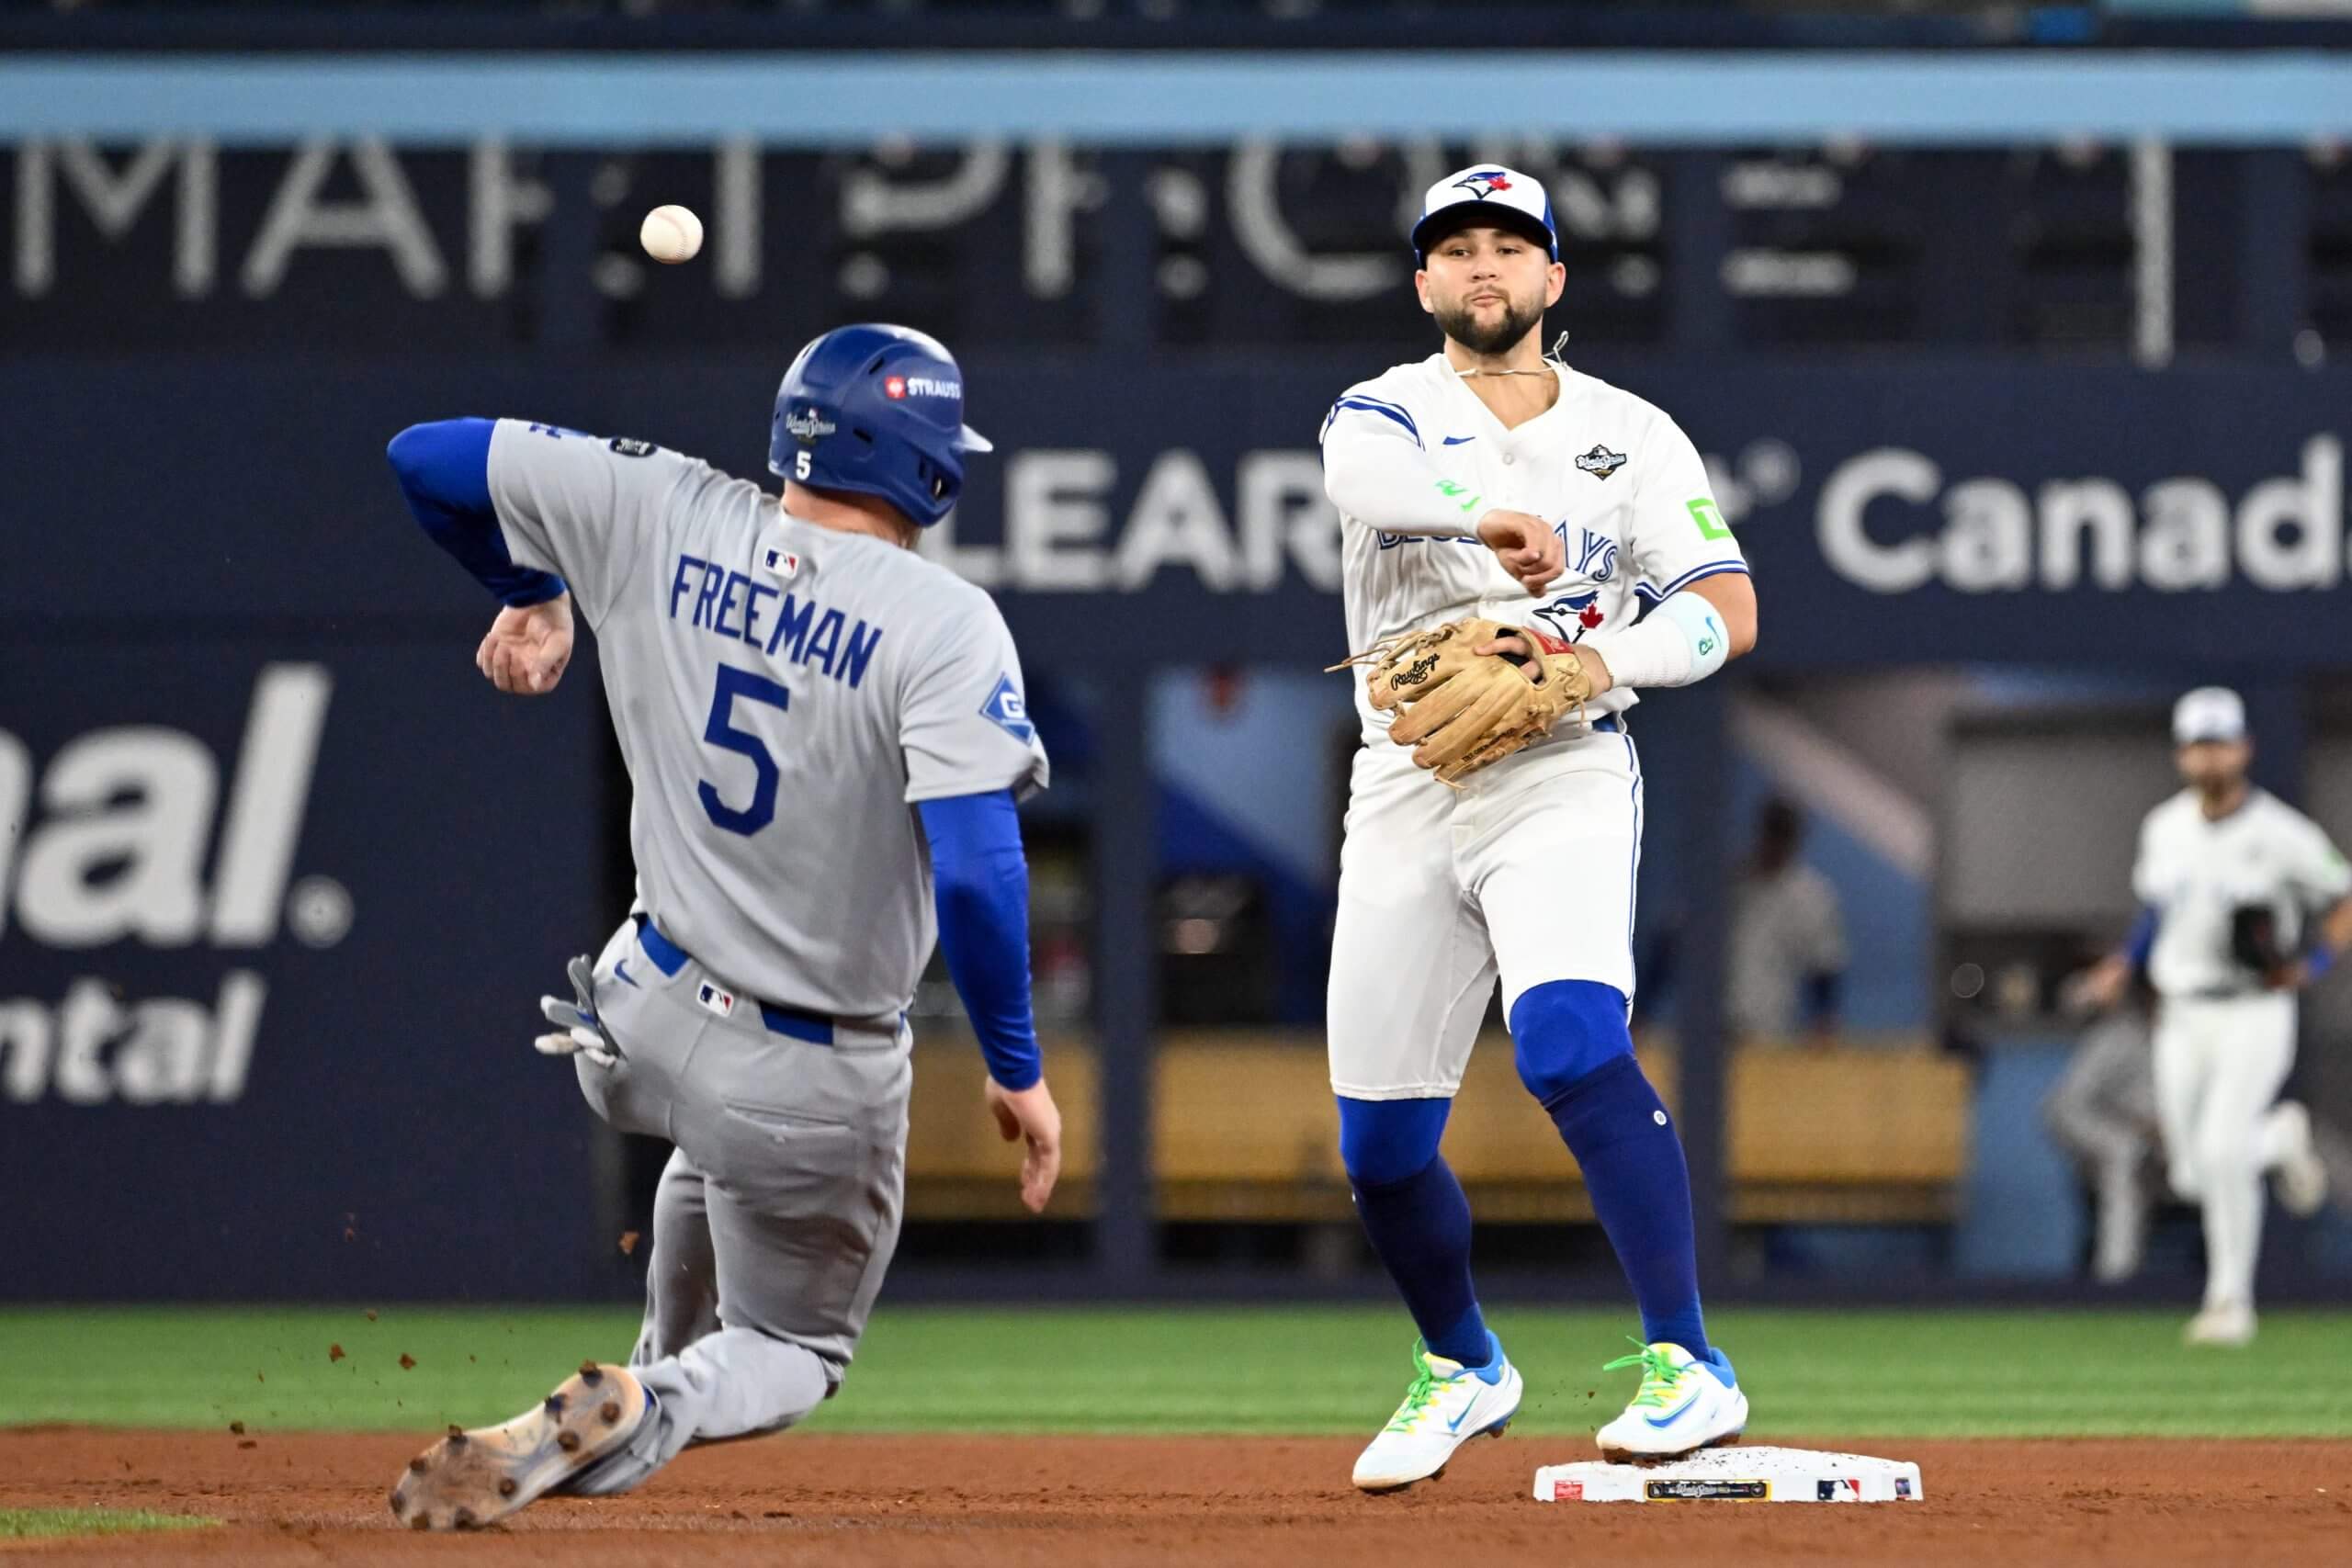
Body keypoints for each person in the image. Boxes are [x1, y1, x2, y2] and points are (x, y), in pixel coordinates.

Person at [380, 323, 1062, 1529]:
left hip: (632, 1016)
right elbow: (978, 871)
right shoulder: (943, 625)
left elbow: (424, 454)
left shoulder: (661, 504)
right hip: (802, 1072)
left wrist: (532, 591)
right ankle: (649, 1395)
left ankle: (635, 1387)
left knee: (715, 1152)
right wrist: (1017, 1066)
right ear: (927, 467)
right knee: (796, 1345)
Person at [1319, 164, 1758, 1491]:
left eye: (1511, 244)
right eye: (1456, 249)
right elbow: (1362, 480)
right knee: (1381, 1147)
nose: (1483, 265)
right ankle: (1463, 1363)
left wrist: (1597, 664)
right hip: (1405, 782)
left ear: (1554, 278)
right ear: (1424, 283)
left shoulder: (1637, 431)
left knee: (1570, 1039)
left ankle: (1689, 1362)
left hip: (1561, 764)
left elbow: (1725, 608)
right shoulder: (1382, 406)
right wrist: (1481, 517)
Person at [2081, 686, 2349, 1346]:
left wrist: (2312, 966)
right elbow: (2156, 908)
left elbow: (2345, 894)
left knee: (2225, 1149)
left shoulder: (2280, 833)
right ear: (2182, 753)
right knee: (2190, 1171)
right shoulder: (2164, 827)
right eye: (2198, 744)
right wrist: (2124, 961)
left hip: (2255, 1009)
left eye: (2220, 742)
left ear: (2244, 748)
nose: (2209, 756)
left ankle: (2230, 1302)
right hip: (2183, 1011)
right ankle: (2281, 1138)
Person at [1726, 797, 1848, 1046]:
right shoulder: (1727, 885)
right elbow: (1672, 944)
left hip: (1771, 1032)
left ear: (1794, 839)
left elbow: (1825, 967)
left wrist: (1824, 1021)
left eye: (1783, 834)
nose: (1775, 843)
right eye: (1772, 832)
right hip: (1714, 1030)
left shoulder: (1811, 896)